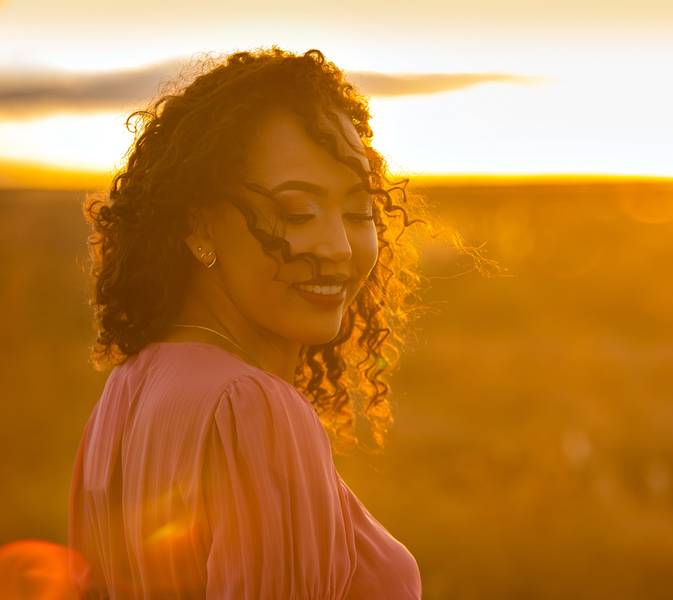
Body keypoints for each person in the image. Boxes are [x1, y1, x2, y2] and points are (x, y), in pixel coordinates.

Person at [67, 45, 488, 599]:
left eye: (359, 212)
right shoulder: (253, 408)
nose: (337, 246)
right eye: (297, 213)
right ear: (199, 227)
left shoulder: (126, 393)